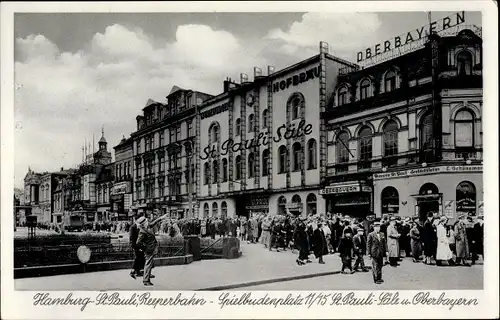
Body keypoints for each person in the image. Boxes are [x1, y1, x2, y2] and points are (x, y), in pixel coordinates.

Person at [136, 214, 167, 286]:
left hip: (151, 249)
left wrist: (161, 218)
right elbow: (138, 242)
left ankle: (147, 278)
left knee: (149, 264)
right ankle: (146, 280)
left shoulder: (147, 227)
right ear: (144, 223)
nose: (148, 221)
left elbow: (154, 222)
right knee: (148, 264)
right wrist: (145, 248)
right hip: (149, 250)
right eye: (147, 220)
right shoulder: (142, 231)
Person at [129, 212, 145, 279]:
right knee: (138, 258)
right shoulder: (133, 227)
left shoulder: (139, 226)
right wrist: (134, 246)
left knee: (140, 258)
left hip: (140, 245)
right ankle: (133, 271)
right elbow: (132, 238)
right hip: (135, 245)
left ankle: (138, 272)